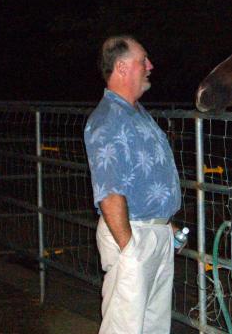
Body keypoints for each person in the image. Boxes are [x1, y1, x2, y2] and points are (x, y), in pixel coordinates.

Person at [84, 35, 181, 334]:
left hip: (154, 233)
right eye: (143, 60)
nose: (150, 66)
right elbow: (109, 192)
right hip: (132, 233)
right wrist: (129, 248)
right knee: (125, 328)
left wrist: (166, 225)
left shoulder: (136, 113)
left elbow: (145, 178)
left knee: (152, 327)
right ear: (123, 67)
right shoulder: (108, 119)